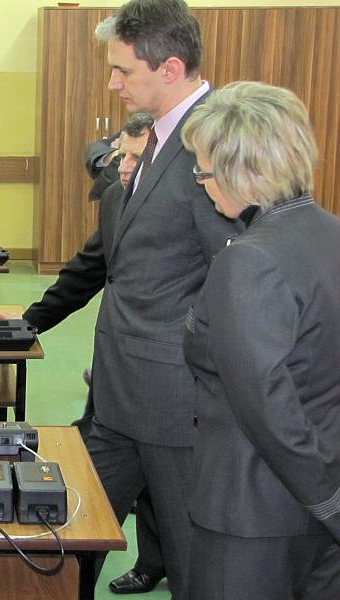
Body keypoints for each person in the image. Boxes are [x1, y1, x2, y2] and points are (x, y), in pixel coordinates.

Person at [84, 1, 243, 597]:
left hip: (175, 401)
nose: (113, 82)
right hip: (118, 393)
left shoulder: (217, 138)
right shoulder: (156, 135)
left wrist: (186, 358)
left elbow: (234, 273)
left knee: (192, 560)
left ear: (170, 68)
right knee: (68, 539)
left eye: (123, 70)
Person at [180, 82, 340, 599]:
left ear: (244, 173)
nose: (201, 183)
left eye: (204, 172)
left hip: (254, 511)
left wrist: (329, 503)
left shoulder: (250, 260)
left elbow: (268, 407)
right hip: (319, 484)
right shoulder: (331, 233)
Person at [3, 113, 168, 595]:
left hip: (170, 382)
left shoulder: (187, 207)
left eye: (136, 158)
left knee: (166, 492)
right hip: (116, 376)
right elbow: (88, 269)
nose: (122, 166)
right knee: (94, 499)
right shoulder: (117, 198)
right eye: (121, 155)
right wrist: (28, 322)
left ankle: (155, 563)